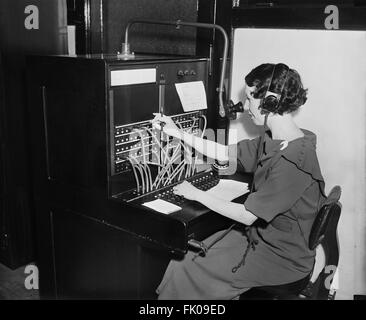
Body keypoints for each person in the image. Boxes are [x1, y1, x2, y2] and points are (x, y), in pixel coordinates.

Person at [152, 63, 326, 300]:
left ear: (270, 102)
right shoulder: (280, 139)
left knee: (190, 270)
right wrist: (178, 133)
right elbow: (225, 152)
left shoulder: (293, 161)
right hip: (262, 238)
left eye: (249, 98)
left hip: (282, 258)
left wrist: (196, 193)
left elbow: (247, 215)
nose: (244, 106)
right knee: (184, 258)